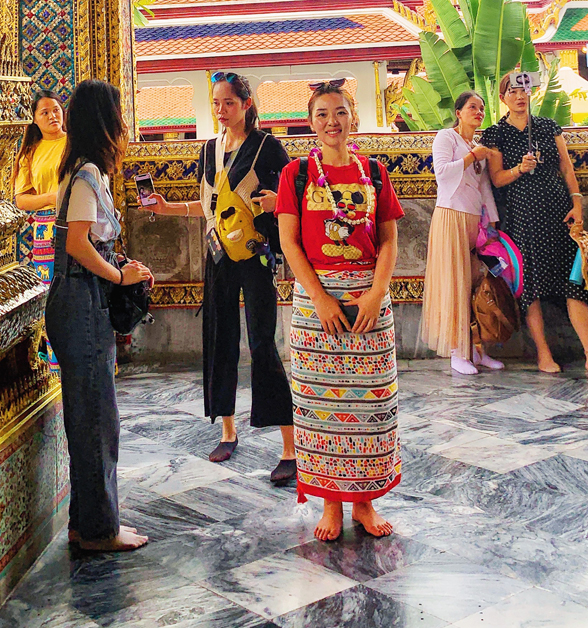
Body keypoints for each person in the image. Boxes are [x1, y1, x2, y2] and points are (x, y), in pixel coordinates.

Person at [147, 72, 296, 484]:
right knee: (220, 338)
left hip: (254, 257)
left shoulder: (268, 147)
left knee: (263, 343)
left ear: (246, 104)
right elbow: (208, 205)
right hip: (218, 257)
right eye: (216, 103)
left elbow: (296, 195)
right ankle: (228, 431)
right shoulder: (209, 150)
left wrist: (275, 201)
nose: (221, 111)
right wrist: (167, 208)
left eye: (229, 103)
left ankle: (289, 444)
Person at [276, 79, 404, 542]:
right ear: (310, 123)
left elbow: (389, 238)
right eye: (322, 114)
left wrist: (374, 293)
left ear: (354, 117)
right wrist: (321, 298)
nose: (333, 122)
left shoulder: (374, 171)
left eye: (341, 112)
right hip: (316, 304)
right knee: (320, 406)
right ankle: (331, 502)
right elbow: (289, 243)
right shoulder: (295, 175)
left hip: (369, 298)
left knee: (371, 403)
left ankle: (365, 501)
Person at [46, 79, 153, 552]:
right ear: (105, 123)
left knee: (92, 415)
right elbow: (76, 245)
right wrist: (120, 277)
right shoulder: (87, 174)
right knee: (95, 419)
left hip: (77, 299)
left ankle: (90, 522)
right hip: (81, 300)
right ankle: (97, 531)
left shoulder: (81, 171)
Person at [482, 74, 588, 375]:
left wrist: (577, 203)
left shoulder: (548, 126)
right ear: (503, 98)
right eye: (513, 91)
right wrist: (519, 169)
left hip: (558, 212)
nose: (520, 96)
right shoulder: (496, 133)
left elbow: (566, 166)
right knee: (531, 285)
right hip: (522, 216)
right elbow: (496, 178)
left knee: (574, 279)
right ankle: (543, 354)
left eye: (524, 90)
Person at [423, 90, 505, 376]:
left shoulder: (478, 146)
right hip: (451, 215)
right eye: (472, 107)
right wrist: (472, 156)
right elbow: (443, 174)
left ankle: (477, 348)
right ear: (458, 112)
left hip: (475, 222)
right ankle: (458, 351)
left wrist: (492, 222)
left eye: (482, 108)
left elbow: (484, 188)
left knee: (476, 285)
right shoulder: (447, 138)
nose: (478, 112)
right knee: (455, 283)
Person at [13, 92, 69, 367]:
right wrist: (49, 197)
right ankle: (55, 366)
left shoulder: (75, 144)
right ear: (34, 119)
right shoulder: (30, 153)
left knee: (79, 290)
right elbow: (21, 199)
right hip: (45, 230)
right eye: (44, 112)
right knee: (52, 297)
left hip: (76, 222)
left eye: (56, 110)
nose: (52, 116)